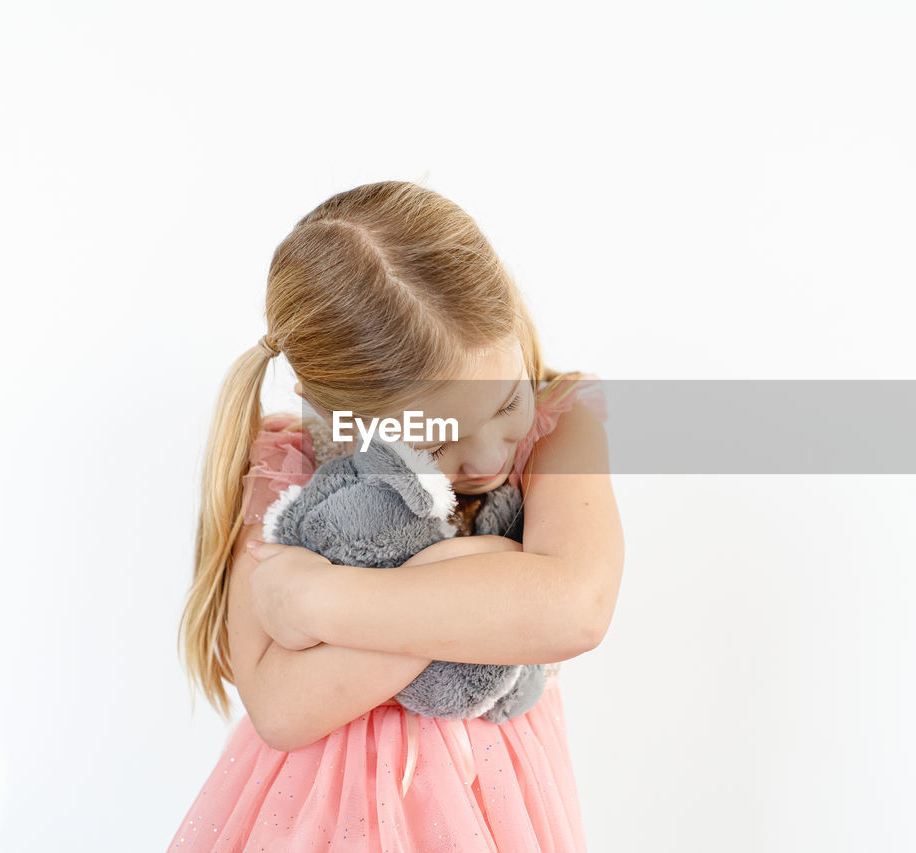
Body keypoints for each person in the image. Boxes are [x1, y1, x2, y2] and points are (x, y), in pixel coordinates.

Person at [167, 181, 623, 851]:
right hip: (316, 822)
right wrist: (479, 584)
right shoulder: (290, 472)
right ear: (335, 413)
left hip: (489, 820)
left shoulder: (559, 429)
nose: (491, 455)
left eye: (504, 404)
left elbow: (575, 608)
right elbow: (281, 708)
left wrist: (322, 600)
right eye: (436, 442)